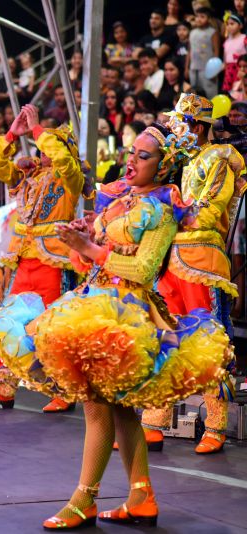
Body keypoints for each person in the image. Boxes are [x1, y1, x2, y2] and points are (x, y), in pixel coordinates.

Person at [0, 122, 232, 529]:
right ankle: (141, 498)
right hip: (96, 300)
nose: (131, 161)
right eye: (131, 152)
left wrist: (91, 248)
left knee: (99, 410)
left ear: (162, 165)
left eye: (143, 156)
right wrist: (81, 239)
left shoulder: (161, 205)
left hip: (125, 314)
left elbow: (143, 269)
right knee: (119, 414)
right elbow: (100, 250)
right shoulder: (121, 198)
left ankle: (84, 500)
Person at [139, 94, 244, 455]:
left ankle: (214, 424)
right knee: (166, 336)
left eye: (181, 124)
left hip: (201, 258)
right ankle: (154, 421)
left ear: (198, 127)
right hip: (171, 258)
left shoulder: (219, 158)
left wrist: (177, 210)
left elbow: (212, 205)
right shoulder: (179, 162)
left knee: (207, 338)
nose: (175, 130)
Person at [0, 104, 92, 412]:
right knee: (9, 323)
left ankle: (64, 389)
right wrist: (13, 132)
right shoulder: (30, 176)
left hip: (54, 262)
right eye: (41, 144)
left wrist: (38, 129)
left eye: (49, 144)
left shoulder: (71, 176)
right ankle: (2, 388)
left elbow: (63, 161)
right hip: (25, 259)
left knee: (52, 326)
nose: (42, 151)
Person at [188, 7, 220, 98]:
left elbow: (216, 51)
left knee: (209, 92)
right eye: (197, 17)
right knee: (195, 93)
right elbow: (190, 50)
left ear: (209, 19)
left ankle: (211, 111)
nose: (199, 19)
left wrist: (214, 70)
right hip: (194, 68)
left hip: (207, 69)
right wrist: (187, 67)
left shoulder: (212, 32)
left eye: (202, 17)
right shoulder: (192, 32)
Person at [223, 14, 247, 91]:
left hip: (241, 69)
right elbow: (225, 58)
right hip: (229, 71)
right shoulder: (227, 41)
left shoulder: (244, 38)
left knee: (240, 90)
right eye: (227, 24)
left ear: (240, 26)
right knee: (230, 92)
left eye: (232, 24)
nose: (229, 26)